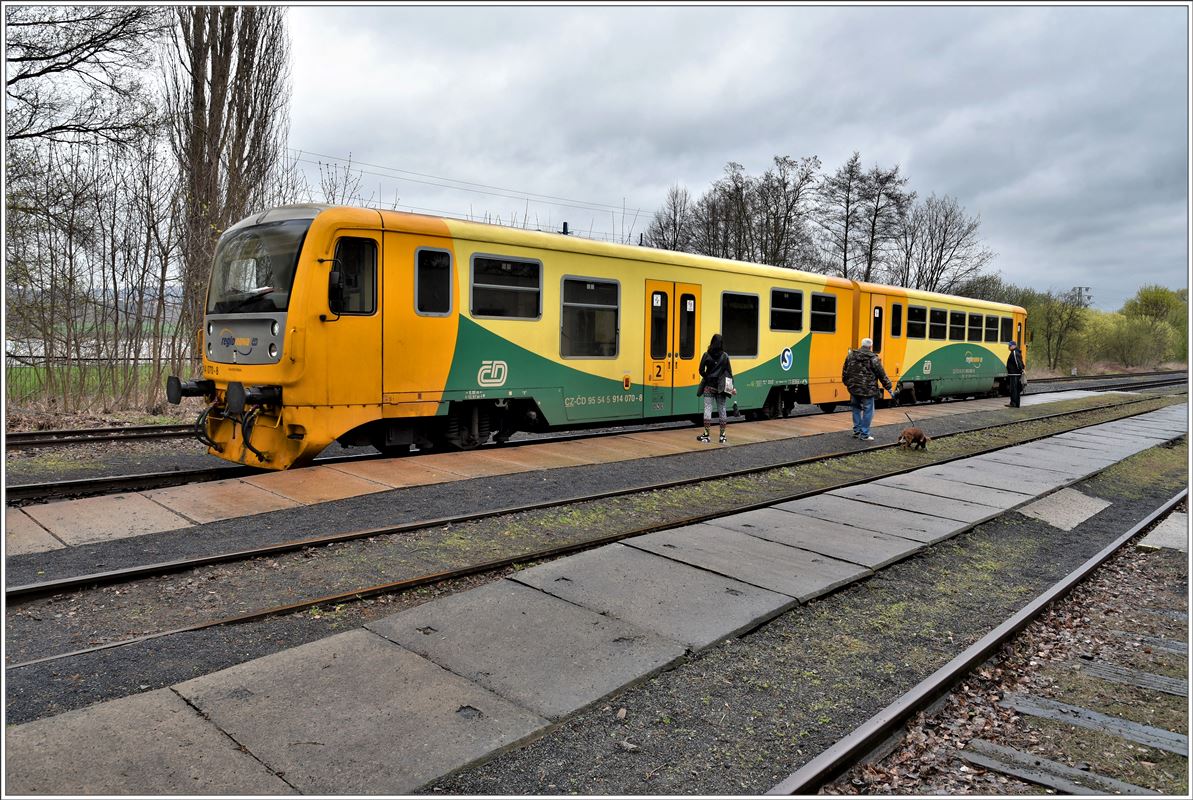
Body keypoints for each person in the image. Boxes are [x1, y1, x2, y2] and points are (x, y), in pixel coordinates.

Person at [841, 337, 895, 441]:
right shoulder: (873, 358)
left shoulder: (851, 355)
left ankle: (857, 431)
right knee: (868, 411)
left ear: (861, 345)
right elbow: (881, 374)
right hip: (868, 390)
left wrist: (847, 383)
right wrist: (889, 388)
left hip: (854, 388)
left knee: (856, 409)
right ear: (870, 346)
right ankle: (864, 434)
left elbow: (844, 371)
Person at [696, 333, 734, 444]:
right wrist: (732, 388)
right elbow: (729, 373)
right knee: (722, 409)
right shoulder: (725, 356)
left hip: (709, 386)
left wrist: (707, 376)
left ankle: (706, 435)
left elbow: (701, 370)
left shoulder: (706, 355)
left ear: (712, 342)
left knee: (708, 409)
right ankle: (722, 436)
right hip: (721, 388)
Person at [1005, 340, 1025, 407]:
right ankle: (1016, 404)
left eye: (1010, 346)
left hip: (1014, 374)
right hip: (1015, 374)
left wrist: (1020, 369)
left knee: (1014, 389)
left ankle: (1013, 403)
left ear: (1014, 346)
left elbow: (1018, 363)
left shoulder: (1014, 352)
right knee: (1016, 389)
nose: (1009, 347)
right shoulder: (1016, 352)